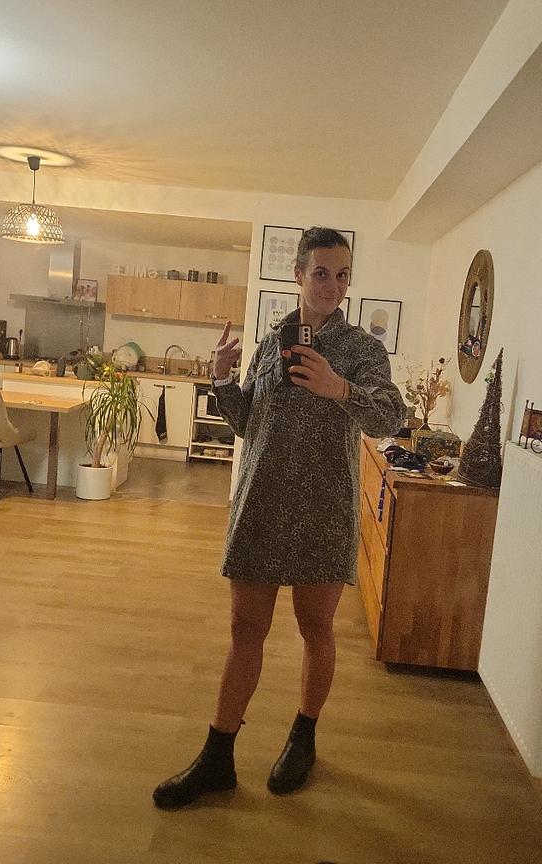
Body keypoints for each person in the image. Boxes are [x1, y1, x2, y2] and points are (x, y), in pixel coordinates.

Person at [153, 227, 405, 810]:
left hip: (324, 508)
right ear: (298, 275)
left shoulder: (362, 351)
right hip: (262, 502)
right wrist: (222, 378)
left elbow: (389, 418)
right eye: (322, 273)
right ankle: (217, 756)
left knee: (316, 629)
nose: (333, 286)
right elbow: (248, 422)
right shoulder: (272, 342)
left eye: (343, 275)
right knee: (245, 630)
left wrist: (340, 388)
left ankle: (303, 737)